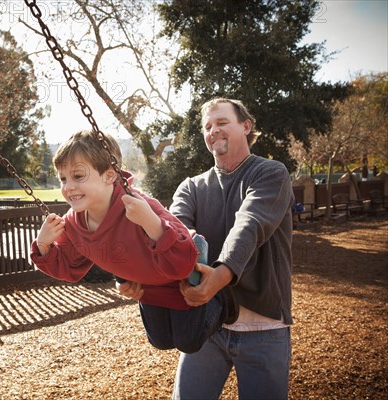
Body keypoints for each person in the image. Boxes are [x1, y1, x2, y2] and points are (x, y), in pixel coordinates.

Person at [30, 130, 237, 355]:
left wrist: (153, 225)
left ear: (110, 175)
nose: (68, 187)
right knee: (160, 341)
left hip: (181, 270)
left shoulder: (138, 206)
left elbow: (184, 254)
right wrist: (44, 245)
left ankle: (222, 299)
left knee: (189, 342)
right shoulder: (74, 223)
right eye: (63, 179)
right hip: (147, 280)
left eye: (78, 176)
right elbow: (70, 268)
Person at [169, 98, 293, 399]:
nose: (213, 131)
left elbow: (250, 225)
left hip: (264, 327)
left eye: (222, 122)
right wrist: (136, 278)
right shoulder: (191, 187)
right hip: (207, 325)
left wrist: (219, 277)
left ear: (246, 126)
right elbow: (173, 234)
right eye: (207, 127)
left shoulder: (271, 173)